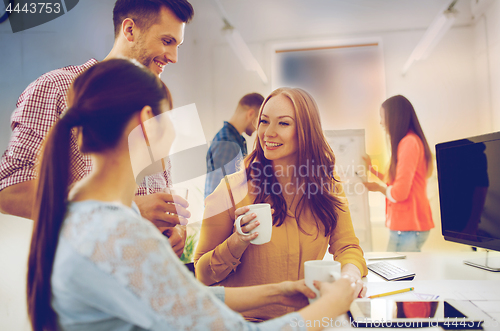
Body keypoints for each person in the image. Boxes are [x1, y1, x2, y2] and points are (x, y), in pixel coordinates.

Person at [27, 59, 358, 331]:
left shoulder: (87, 214)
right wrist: (330, 307)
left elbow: (184, 300)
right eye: (170, 118)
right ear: (148, 122)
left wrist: (283, 291)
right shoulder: (121, 234)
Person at [0, 0, 194, 257]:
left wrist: (176, 231)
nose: (174, 58)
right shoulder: (56, 88)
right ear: (129, 30)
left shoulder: (152, 105)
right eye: (167, 41)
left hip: (145, 277)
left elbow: (160, 195)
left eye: (177, 46)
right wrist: (127, 208)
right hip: (92, 271)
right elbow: (10, 190)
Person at [194, 87, 368, 321]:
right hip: (245, 324)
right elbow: (202, 274)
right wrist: (237, 241)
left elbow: (348, 247)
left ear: (306, 131)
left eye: (283, 123)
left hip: (308, 320)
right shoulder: (230, 190)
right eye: (264, 121)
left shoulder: (328, 186)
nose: (268, 132)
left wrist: (349, 279)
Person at [362, 95, 434, 252]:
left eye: (382, 117)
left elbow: (399, 192)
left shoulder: (408, 143)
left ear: (394, 117)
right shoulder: (410, 141)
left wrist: (380, 188)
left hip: (408, 228)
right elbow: (396, 180)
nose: (381, 122)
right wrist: (372, 170)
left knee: (399, 274)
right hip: (408, 227)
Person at [205, 93, 265, 198]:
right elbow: (220, 193)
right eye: (259, 121)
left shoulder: (235, 140)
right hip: (224, 213)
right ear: (250, 114)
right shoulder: (227, 143)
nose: (258, 128)